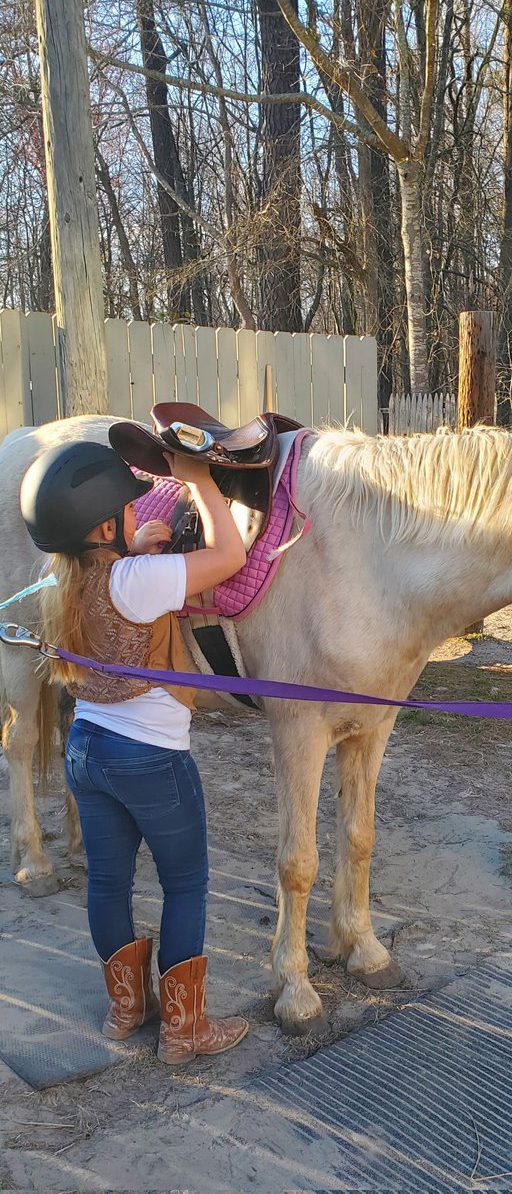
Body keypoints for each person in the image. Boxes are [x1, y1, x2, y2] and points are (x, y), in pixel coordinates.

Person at [19, 439, 248, 1065]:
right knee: (186, 884)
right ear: (102, 525)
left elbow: (111, 591)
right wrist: (198, 479)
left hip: (87, 751)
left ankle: (128, 1009)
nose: (131, 515)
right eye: (122, 511)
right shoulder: (138, 580)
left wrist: (136, 550)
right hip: (150, 756)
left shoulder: (57, 582)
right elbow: (231, 555)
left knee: (109, 884)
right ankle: (185, 1030)